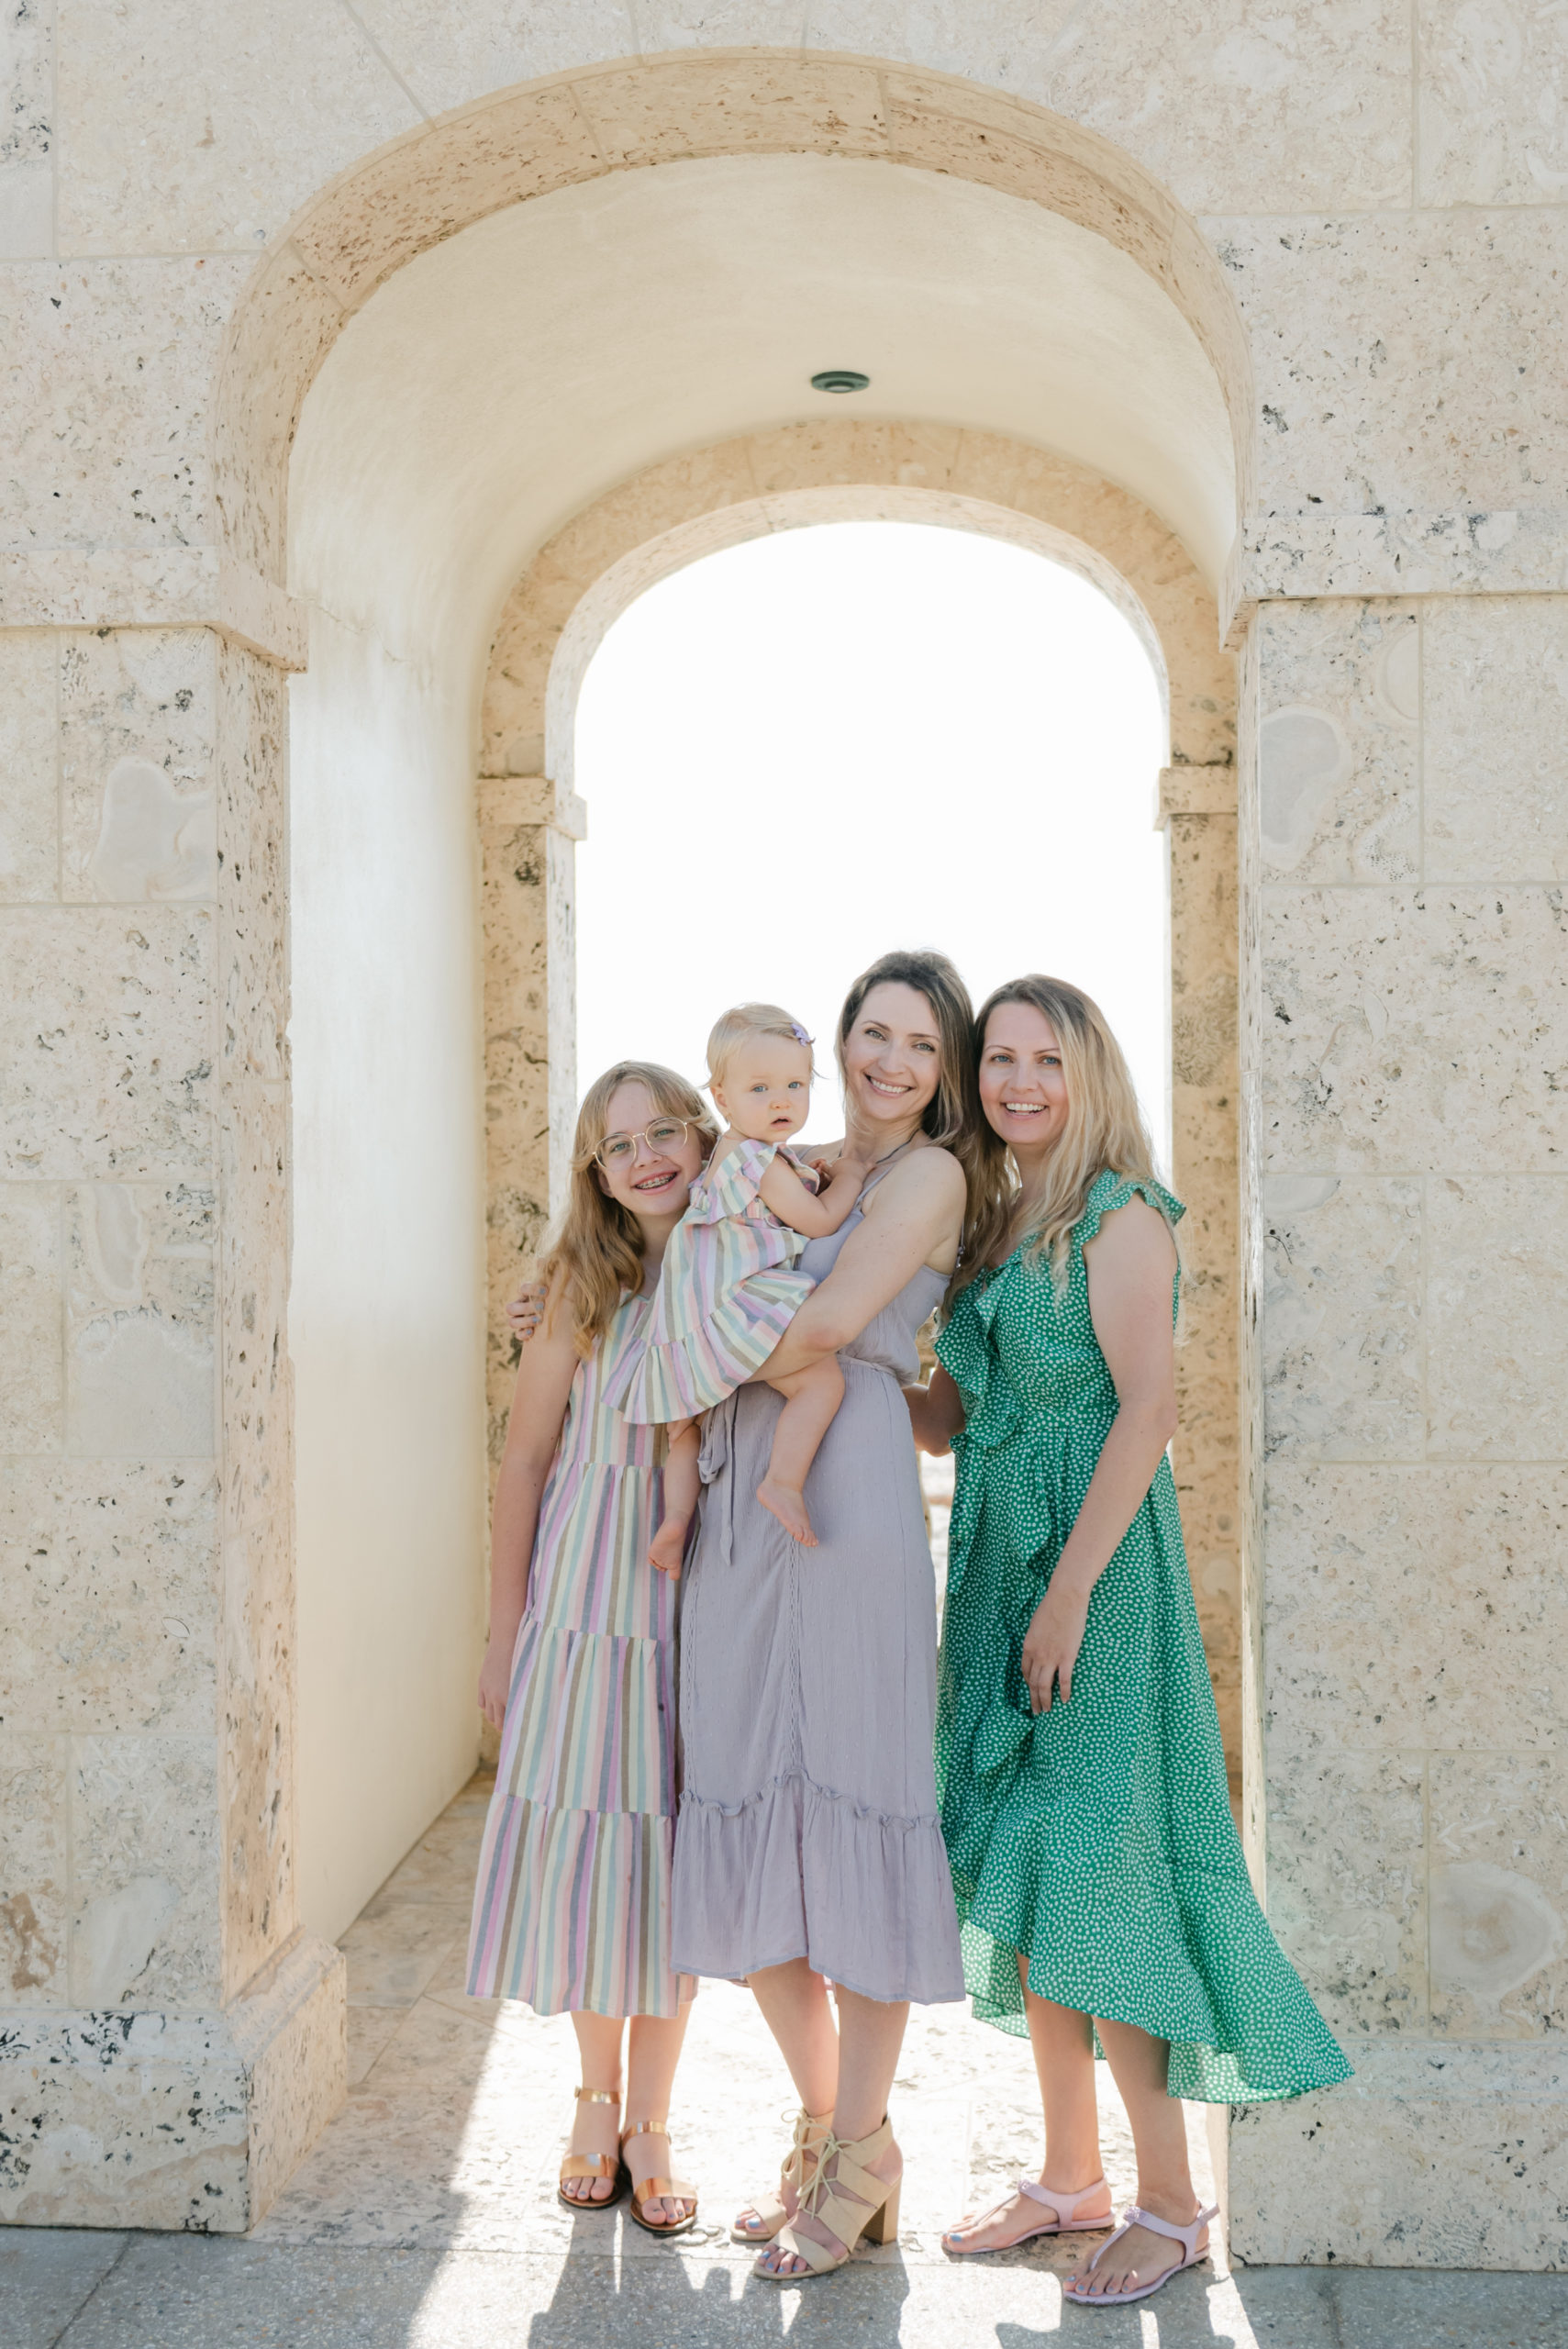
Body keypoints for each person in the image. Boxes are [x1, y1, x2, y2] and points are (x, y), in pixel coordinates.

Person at [907, 975, 1351, 2310]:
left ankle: (1169, 2199)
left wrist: (1068, 1596)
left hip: (1093, 1584)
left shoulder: (1120, 1218)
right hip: (997, 1565)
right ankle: (1069, 2177)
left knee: (1100, 1873)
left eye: (1047, 1059)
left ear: (1090, 1074)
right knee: (1034, 1876)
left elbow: (1147, 1412)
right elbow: (944, 1420)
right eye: (1000, 1060)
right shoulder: (992, 1231)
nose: (1019, 1082)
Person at [673, 950, 974, 2282]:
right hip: (744, 1488)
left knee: (857, 1803)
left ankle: (863, 2150)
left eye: (919, 1043)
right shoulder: (783, 1156)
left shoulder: (927, 1176)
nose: (890, 1061)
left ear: (944, 1064)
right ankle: (828, 2129)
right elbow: (658, 1242)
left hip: (845, 1486)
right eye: (873, 1033)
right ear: (839, 1039)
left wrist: (673, 1342)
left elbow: (845, 1319)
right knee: (745, 1795)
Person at [466, 1062, 715, 2239]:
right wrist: (502, 1631)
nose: (648, 1156)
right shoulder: (576, 1282)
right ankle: (594, 2098)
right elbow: (522, 1462)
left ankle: (655, 2117)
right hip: (578, 1594)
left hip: (694, 1594)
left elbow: (816, 1154)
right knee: (588, 1853)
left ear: (702, 1137)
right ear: (595, 1173)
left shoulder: (740, 1261)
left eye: (666, 1130)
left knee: (670, 1854)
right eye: (620, 1145)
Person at [607, 1003, 868, 1565]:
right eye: (761, 1088)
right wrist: (850, 1177)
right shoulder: (762, 1162)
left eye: (795, 1084)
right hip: (734, 1302)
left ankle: (676, 1521)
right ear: (721, 1099)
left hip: (688, 1311)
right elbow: (819, 1221)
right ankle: (783, 1480)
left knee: (685, 1428)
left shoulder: (727, 1155)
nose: (781, 1100)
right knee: (821, 1385)